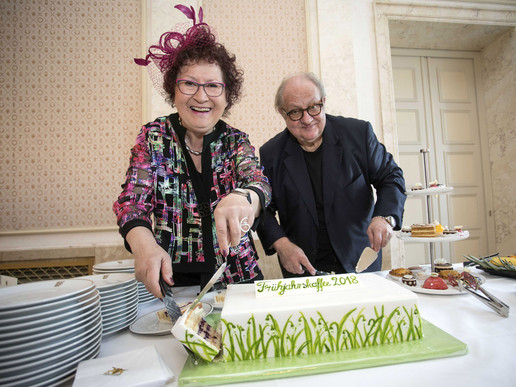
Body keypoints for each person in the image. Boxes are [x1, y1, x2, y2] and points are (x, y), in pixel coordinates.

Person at [113, 5, 271, 298]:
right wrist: (143, 242)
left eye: (213, 86)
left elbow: (259, 182)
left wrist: (245, 197)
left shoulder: (236, 141)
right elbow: (132, 202)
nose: (201, 96)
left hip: (239, 280)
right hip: (172, 283)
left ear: (227, 95)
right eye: (189, 84)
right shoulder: (154, 137)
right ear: (173, 91)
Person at [257, 72, 406, 277]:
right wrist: (282, 245)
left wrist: (384, 217)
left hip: (360, 263)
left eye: (313, 107)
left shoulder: (358, 134)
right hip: (302, 269)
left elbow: (391, 176)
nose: (307, 119)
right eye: (295, 112)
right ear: (283, 113)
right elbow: (262, 209)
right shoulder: (271, 154)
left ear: (323, 102)